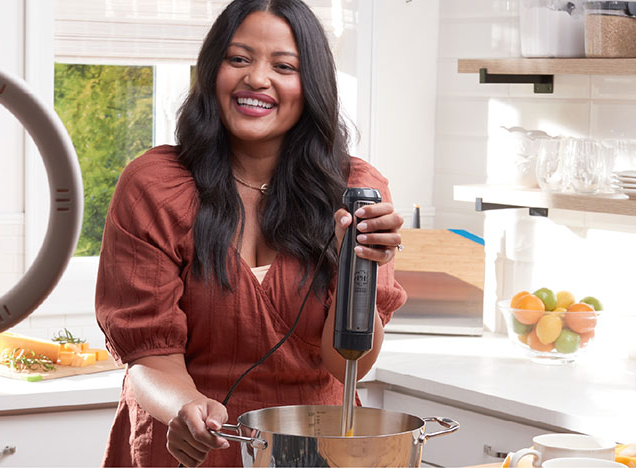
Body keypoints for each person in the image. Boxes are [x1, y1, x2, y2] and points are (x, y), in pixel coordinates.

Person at [94, 0, 407, 466]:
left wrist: (352, 268)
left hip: (310, 450)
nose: (257, 79)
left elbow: (350, 366)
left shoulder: (356, 191)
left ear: (312, 85)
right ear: (211, 72)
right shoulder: (154, 185)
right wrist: (187, 409)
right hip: (186, 443)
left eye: (284, 66)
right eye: (238, 59)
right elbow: (150, 352)